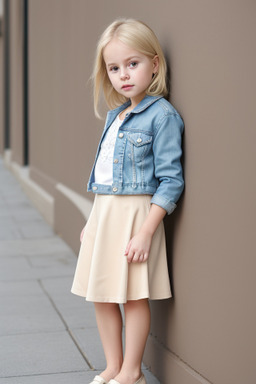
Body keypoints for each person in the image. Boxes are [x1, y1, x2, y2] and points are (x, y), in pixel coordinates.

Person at [71, 18, 184, 384]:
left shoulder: (162, 116)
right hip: (106, 214)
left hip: (136, 217)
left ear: (154, 63)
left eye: (132, 64)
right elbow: (105, 178)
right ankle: (113, 366)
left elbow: (170, 181)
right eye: (114, 67)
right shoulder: (114, 116)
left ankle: (132, 372)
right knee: (101, 294)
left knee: (133, 297)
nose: (123, 75)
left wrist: (146, 232)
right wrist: (93, 221)